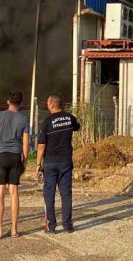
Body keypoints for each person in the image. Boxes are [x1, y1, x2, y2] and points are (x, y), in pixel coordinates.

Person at [0, 91, 30, 239]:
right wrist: (24, 160)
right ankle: (14, 229)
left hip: (1, 156)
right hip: (15, 156)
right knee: (14, 193)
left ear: (8, 101)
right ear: (21, 103)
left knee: (0, 195)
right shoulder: (23, 118)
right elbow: (26, 142)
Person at [36, 94, 80, 234]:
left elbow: (41, 145)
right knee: (66, 193)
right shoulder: (70, 118)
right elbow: (77, 127)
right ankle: (67, 225)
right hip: (66, 161)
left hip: (50, 162)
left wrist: (38, 163)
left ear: (52, 105)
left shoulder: (47, 122)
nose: (47, 105)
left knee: (49, 194)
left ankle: (51, 226)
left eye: (48, 103)